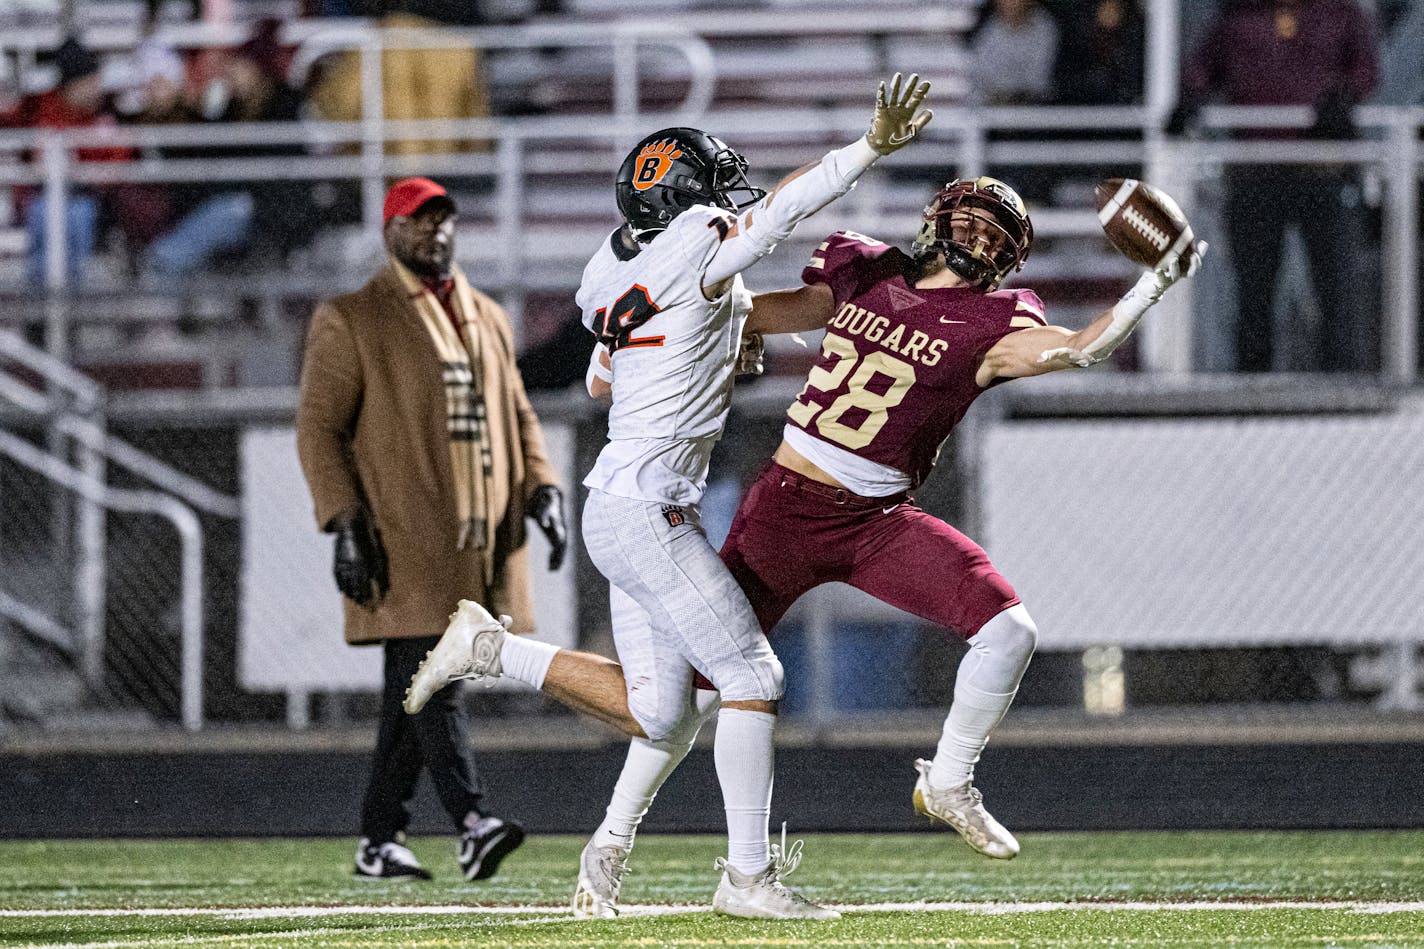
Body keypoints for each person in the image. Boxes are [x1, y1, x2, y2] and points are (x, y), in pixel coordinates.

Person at [572, 177, 1206, 918]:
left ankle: (948, 779)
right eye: (973, 223)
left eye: (998, 239)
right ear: (936, 219)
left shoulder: (995, 320)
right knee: (691, 701)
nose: (981, 242)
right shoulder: (864, 268)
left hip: (877, 519)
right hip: (785, 508)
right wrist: (679, 321)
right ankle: (610, 843)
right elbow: (751, 314)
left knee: (1009, 629)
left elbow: (1079, 350)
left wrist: (1152, 283)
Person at [405, 73, 934, 919]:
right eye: (715, 187)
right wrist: (868, 148)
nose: (730, 199)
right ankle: (748, 879)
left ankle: (499, 662)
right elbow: (778, 215)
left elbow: (605, 374)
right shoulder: (696, 235)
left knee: (664, 711)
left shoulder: (611, 266)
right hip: (652, 505)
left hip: (620, 501)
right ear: (683, 200)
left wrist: (718, 342)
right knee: (752, 674)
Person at [296, 176, 568, 881]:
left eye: (443, 220)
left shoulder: (485, 313)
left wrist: (543, 488)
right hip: (404, 533)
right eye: (419, 221)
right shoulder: (353, 316)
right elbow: (320, 430)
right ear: (390, 231)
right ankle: (473, 821)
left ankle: (378, 837)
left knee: (412, 686)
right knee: (436, 673)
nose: (434, 232)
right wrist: (345, 523)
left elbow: (518, 414)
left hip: (481, 537)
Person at [1167, 0, 1379, 372]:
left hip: (1322, 171)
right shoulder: (1237, 17)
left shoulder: (1340, 13)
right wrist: (1190, 98)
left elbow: (1366, 69)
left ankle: (1343, 391)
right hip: (1255, 171)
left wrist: (1344, 98)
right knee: (1254, 292)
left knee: (1336, 289)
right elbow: (1201, 69)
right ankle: (1252, 393)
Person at [143, 20, 315, 276]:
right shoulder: (236, 108)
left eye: (239, 66)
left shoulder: (282, 108)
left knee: (225, 211)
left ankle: (160, 267)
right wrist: (180, 110)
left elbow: (271, 175)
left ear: (258, 70)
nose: (231, 73)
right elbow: (209, 149)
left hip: (269, 206)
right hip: (242, 201)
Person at [1, 37, 133, 286]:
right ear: (71, 85)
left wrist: (89, 175)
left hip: (90, 198)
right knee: (44, 216)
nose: (95, 88)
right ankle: (42, 309)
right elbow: (11, 120)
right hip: (42, 195)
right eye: (88, 82)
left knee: (77, 219)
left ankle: (72, 308)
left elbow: (118, 159)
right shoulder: (40, 106)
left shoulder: (105, 113)